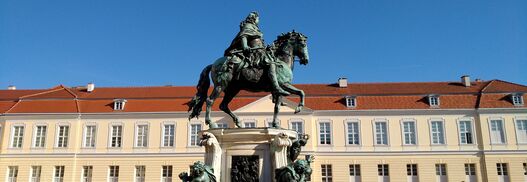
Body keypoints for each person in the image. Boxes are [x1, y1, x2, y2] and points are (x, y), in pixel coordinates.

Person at [224, 12, 290, 96]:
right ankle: (276, 87)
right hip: (254, 52)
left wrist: (267, 47)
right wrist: (245, 46)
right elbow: (243, 36)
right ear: (253, 18)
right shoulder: (248, 26)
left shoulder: (255, 28)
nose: (258, 20)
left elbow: (259, 43)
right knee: (271, 64)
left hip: (261, 51)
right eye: (258, 18)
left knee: (276, 62)